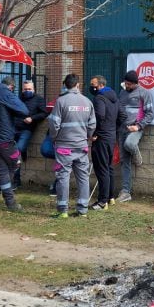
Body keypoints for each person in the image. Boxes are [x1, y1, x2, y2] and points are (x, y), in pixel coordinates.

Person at [48, 74, 96, 218]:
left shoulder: (60, 101)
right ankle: (83, 210)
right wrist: (87, 136)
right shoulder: (87, 102)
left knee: (63, 177)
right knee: (83, 177)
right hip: (82, 146)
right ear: (78, 85)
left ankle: (63, 210)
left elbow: (53, 123)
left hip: (63, 146)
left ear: (65, 85)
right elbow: (92, 124)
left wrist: (54, 137)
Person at [114, 69, 154, 203]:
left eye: (129, 84)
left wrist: (138, 126)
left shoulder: (144, 93)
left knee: (129, 144)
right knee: (124, 161)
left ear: (135, 83)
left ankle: (137, 155)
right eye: (125, 84)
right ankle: (126, 192)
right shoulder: (122, 92)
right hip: (122, 129)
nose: (126, 86)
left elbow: (150, 114)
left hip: (135, 128)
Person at [0, 76, 29, 212]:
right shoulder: (5, 93)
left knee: (3, 170)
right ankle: (10, 201)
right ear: (11, 87)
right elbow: (23, 110)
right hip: (5, 139)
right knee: (15, 164)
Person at [88, 75, 118, 210]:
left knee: (102, 170)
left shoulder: (99, 98)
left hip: (101, 139)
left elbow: (100, 116)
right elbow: (122, 115)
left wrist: (95, 133)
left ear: (100, 85)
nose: (91, 87)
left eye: (93, 84)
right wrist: (112, 131)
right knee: (108, 167)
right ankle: (111, 197)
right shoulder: (114, 97)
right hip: (111, 137)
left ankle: (102, 202)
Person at [12, 78, 48, 188]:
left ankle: (15, 181)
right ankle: (15, 180)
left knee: (16, 152)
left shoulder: (39, 100)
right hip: (14, 129)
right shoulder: (17, 98)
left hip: (26, 129)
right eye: (25, 89)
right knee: (14, 154)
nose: (27, 91)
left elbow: (44, 113)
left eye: (29, 89)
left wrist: (32, 118)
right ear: (22, 90)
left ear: (34, 89)